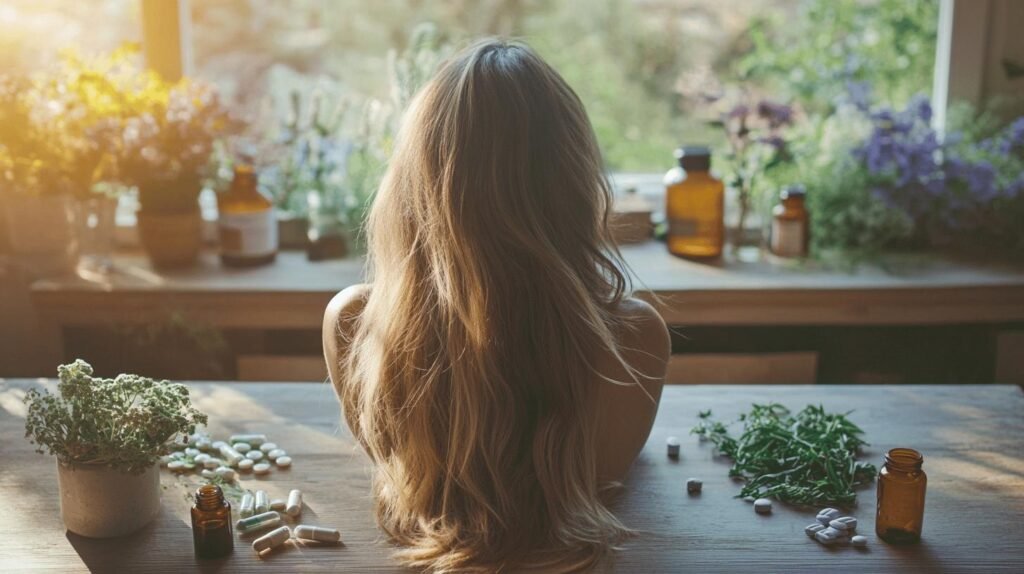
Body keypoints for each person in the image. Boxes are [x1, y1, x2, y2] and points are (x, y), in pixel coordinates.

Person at [323, 38, 670, 573]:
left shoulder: (352, 327)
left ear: (414, 186)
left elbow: (413, 488)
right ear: (574, 185)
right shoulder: (635, 341)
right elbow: (602, 480)